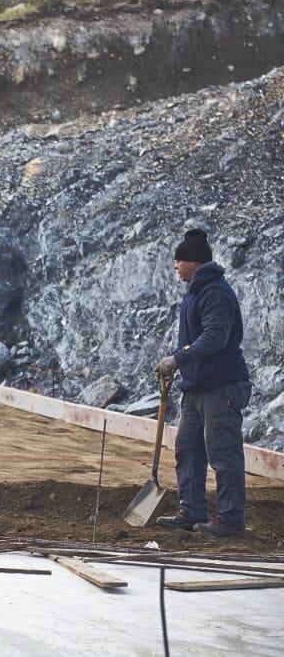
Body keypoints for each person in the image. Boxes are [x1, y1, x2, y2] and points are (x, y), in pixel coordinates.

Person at [156, 229, 252, 538]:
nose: (175, 267)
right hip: (197, 387)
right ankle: (192, 511)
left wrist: (177, 359)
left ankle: (231, 521)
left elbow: (214, 338)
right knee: (187, 448)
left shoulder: (215, 293)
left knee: (223, 454)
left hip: (221, 386)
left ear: (194, 262)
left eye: (179, 261)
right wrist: (182, 365)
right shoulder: (196, 292)